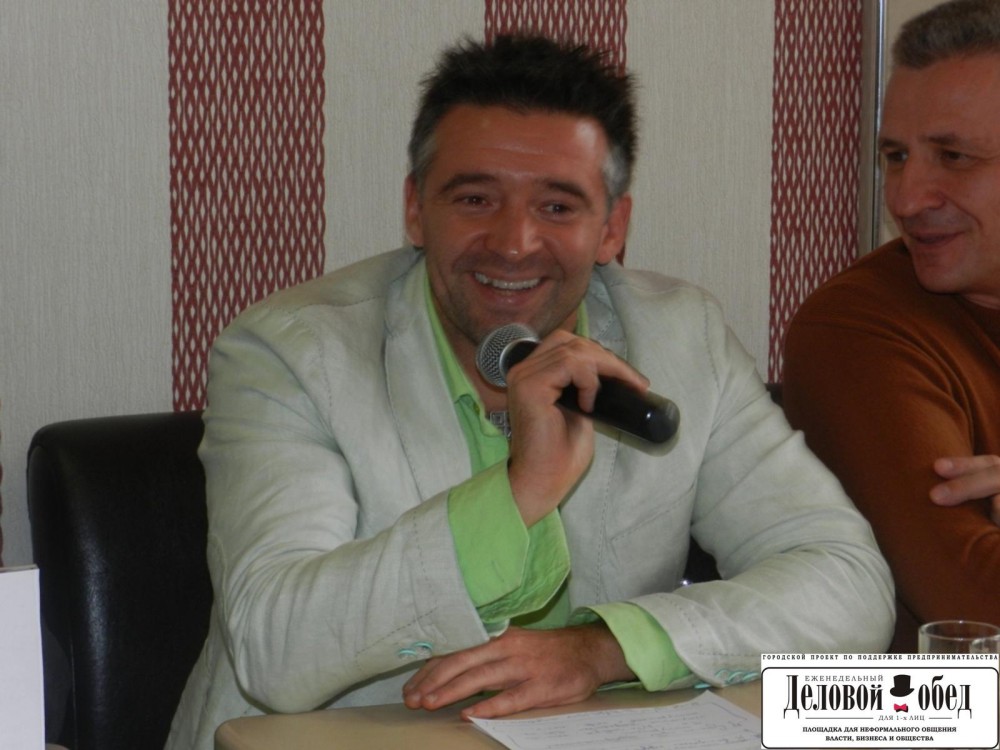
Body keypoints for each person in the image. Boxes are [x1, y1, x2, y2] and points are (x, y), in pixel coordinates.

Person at [167, 35, 893, 749]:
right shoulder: (292, 354)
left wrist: (605, 650)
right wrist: (520, 492)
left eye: (558, 207)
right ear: (416, 209)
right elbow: (274, 648)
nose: (513, 242)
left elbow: (847, 582)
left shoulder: (681, 340)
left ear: (613, 229)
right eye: (475, 198)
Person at [783, 0, 1000, 653]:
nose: (906, 199)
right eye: (896, 155)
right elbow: (973, 611)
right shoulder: (858, 328)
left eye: (954, 156)